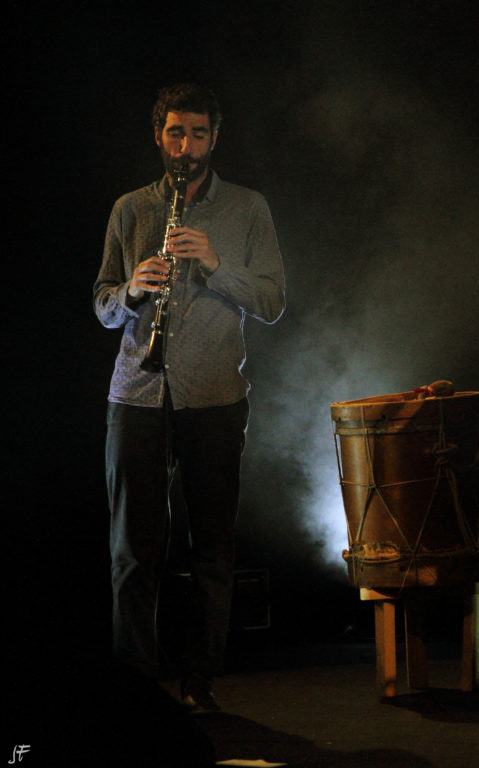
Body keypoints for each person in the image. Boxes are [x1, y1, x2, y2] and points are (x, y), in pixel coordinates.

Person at [93, 83, 286, 712]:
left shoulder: (248, 207)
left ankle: (202, 682)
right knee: (131, 552)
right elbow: (99, 306)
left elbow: (273, 303)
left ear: (214, 138)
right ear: (159, 135)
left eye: (199, 134)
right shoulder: (130, 209)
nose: (187, 147)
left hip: (215, 397)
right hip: (137, 394)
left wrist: (214, 265)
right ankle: (134, 686)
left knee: (213, 549)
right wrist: (131, 290)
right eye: (176, 133)